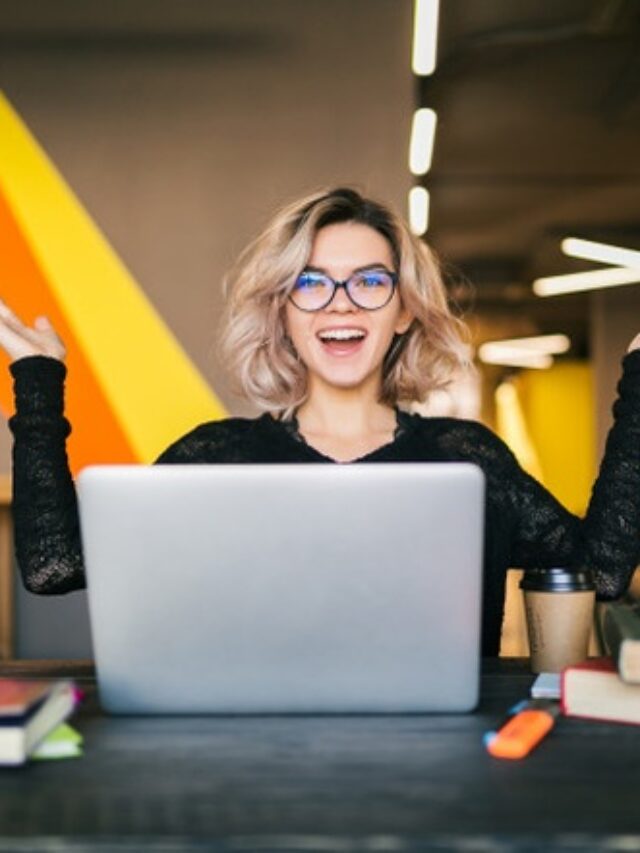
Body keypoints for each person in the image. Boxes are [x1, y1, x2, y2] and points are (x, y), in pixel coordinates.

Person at [1, 186, 639, 656]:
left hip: (440, 764)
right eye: (311, 283)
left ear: (405, 312)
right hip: (254, 759)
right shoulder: (215, 458)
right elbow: (55, 567)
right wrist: (37, 387)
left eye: (369, 282)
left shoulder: (466, 458)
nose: (340, 303)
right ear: (283, 310)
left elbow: (603, 569)